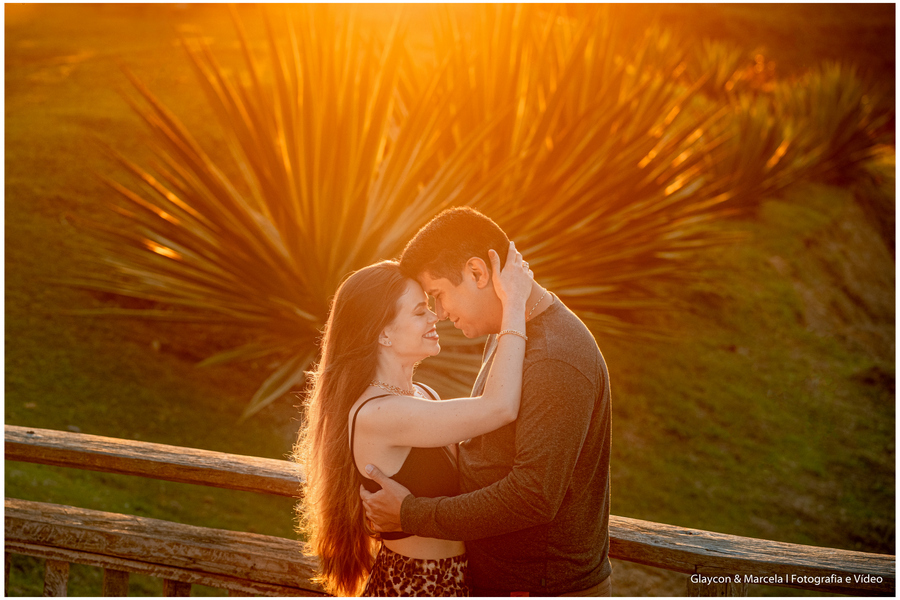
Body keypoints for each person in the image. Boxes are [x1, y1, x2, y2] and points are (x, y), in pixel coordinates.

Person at [361, 207, 613, 596]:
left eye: (439, 295)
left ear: (477, 273)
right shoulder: (510, 333)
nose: (440, 313)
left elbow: (532, 497)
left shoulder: (553, 358)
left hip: (539, 587)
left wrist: (411, 513)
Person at [293, 241, 534, 596]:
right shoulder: (380, 414)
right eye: (420, 311)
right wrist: (512, 304)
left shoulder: (422, 394)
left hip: (452, 581)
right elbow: (499, 407)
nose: (435, 317)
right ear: (383, 333)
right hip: (417, 585)